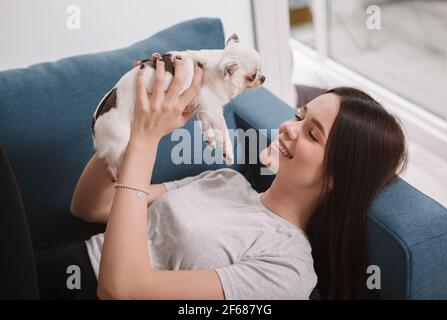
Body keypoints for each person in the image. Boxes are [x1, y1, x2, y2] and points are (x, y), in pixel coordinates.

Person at [38, 54, 408, 300]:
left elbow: (121, 288)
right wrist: (134, 121)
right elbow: (90, 206)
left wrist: (146, 142)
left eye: (312, 134)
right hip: (59, 263)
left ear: (336, 178)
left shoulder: (288, 268)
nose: (289, 129)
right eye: (298, 116)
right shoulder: (225, 180)